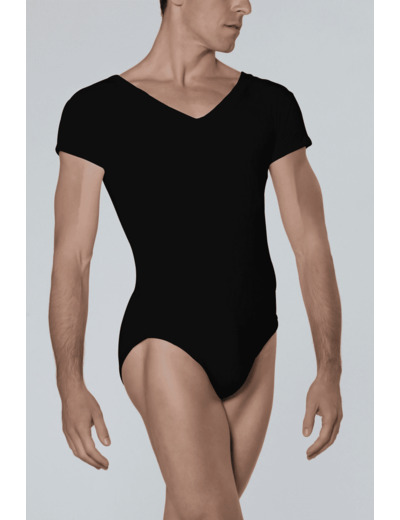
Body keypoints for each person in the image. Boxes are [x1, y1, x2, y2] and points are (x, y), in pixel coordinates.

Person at [49, 1, 343, 518]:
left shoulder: (270, 105)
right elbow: (73, 259)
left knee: (190, 512)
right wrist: (69, 384)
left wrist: (330, 369)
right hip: (164, 340)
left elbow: (311, 244)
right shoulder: (95, 111)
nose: (245, 6)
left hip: (257, 345)